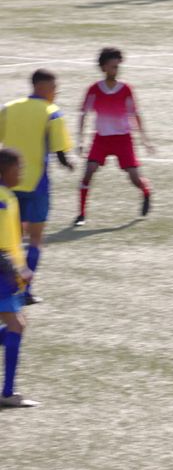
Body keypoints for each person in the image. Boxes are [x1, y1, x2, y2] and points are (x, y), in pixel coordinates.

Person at [0, 69, 74, 305]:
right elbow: (59, 150)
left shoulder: (8, 108)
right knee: (35, 239)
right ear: (42, 87)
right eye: (54, 88)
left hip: (8, 185)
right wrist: (67, 163)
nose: (56, 92)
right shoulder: (52, 113)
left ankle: (8, 288)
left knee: (12, 239)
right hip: (37, 185)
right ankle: (25, 290)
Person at [76, 47, 154, 226]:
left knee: (134, 177)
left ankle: (146, 191)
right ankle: (81, 215)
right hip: (101, 139)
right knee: (88, 172)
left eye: (117, 67)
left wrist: (144, 139)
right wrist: (80, 140)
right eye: (112, 67)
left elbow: (135, 114)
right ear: (103, 68)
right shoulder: (94, 90)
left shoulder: (126, 89)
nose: (116, 70)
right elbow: (83, 114)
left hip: (123, 139)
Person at [0, 149, 38, 407]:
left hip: (7, 270)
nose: (21, 173)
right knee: (16, 325)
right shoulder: (3, 200)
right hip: (3, 272)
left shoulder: (7, 197)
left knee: (18, 324)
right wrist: (18, 270)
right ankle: (7, 393)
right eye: (18, 168)